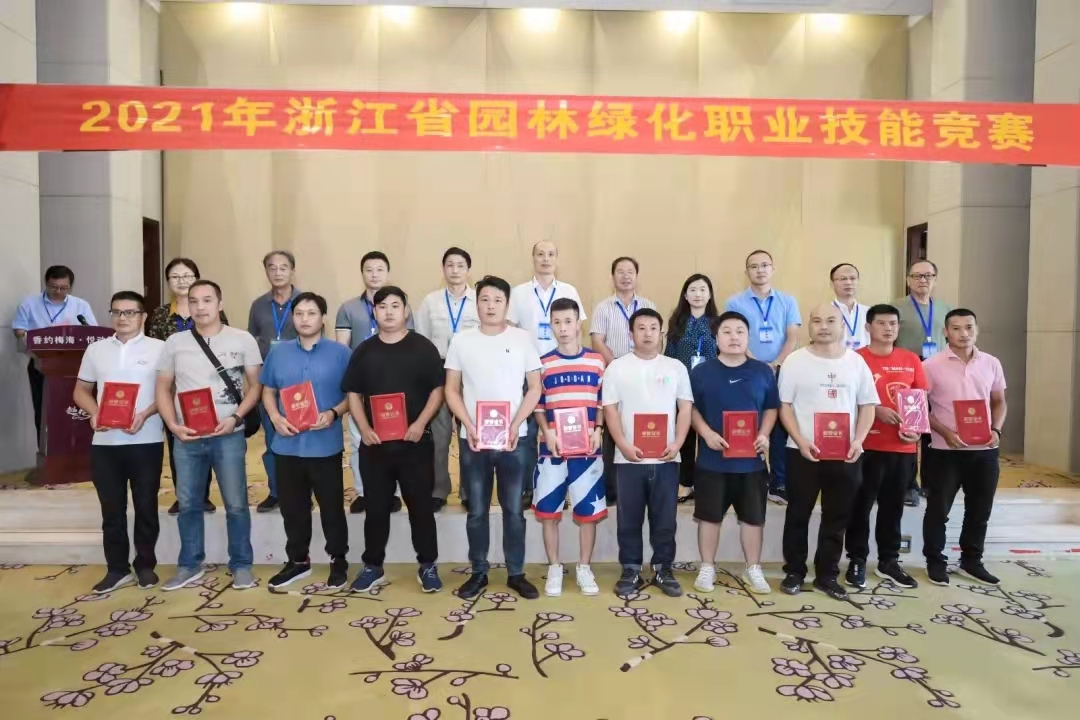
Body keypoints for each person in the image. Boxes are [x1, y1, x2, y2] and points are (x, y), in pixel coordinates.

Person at [156, 280, 262, 592]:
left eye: (207, 300)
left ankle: (241, 564)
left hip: (229, 434)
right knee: (188, 504)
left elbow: (256, 386)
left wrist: (236, 417)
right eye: (194, 301)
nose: (200, 307)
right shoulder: (174, 343)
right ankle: (189, 564)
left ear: (220, 303)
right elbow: (163, 388)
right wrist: (173, 426)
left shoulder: (242, 339)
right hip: (187, 437)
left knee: (236, 503)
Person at [343, 286, 446, 594]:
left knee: (421, 508)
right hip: (375, 446)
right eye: (382, 306)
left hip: (415, 444)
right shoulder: (364, 351)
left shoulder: (423, 347)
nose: (388, 312)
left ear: (406, 311)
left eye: (395, 306)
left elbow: (438, 390)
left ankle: (427, 565)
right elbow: (353, 393)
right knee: (375, 509)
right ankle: (372, 566)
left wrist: (420, 423)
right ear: (374, 312)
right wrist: (364, 428)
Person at [445, 275, 543, 600]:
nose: (490, 306)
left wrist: (516, 424)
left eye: (497, 300)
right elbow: (451, 389)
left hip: (515, 439)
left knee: (514, 510)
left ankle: (516, 573)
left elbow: (535, 388)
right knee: (476, 511)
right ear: (477, 304)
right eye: (484, 300)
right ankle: (478, 572)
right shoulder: (461, 341)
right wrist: (468, 424)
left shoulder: (522, 339)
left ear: (507, 304)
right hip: (474, 439)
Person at [777, 304, 878, 601]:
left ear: (842, 326)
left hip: (846, 454)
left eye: (831, 320)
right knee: (798, 514)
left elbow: (867, 406)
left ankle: (827, 575)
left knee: (837, 517)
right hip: (802, 452)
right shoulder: (795, 361)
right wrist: (800, 440)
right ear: (809, 325)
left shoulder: (856, 362)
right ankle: (795, 571)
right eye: (817, 320)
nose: (823, 326)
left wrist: (858, 440)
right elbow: (784, 406)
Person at [73, 291, 165, 594]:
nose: (122, 318)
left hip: (146, 439)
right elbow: (81, 390)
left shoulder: (160, 349)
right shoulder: (96, 350)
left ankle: (145, 565)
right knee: (111, 509)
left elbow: (169, 391)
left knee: (146, 505)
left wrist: (146, 413)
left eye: (129, 312)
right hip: (105, 443)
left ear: (143, 316)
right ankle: (116, 568)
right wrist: (95, 412)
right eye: (116, 312)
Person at [260, 293, 352, 590]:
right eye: (299, 313)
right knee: (293, 508)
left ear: (323, 318)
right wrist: (275, 417)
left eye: (311, 313)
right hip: (286, 445)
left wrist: (334, 413)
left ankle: (338, 559)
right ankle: (298, 560)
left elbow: (352, 396)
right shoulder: (279, 353)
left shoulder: (341, 354)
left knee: (331, 507)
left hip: (324, 444)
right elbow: (268, 391)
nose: (304, 319)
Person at [603, 308, 693, 598]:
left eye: (653, 327)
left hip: (667, 457)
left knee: (665, 519)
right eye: (640, 328)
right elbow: (610, 411)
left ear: (661, 333)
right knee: (628, 519)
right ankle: (630, 568)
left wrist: (678, 442)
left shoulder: (675, 368)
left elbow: (685, 408)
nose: (647, 333)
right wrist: (622, 444)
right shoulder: (617, 367)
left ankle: (663, 568)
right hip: (628, 458)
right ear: (631, 334)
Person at [689, 311, 778, 596]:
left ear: (748, 337)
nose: (734, 337)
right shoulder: (701, 372)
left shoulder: (762, 371)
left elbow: (771, 408)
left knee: (753, 518)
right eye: (726, 332)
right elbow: (690, 408)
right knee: (709, 517)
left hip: (751, 463)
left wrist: (764, 434)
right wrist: (706, 433)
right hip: (711, 461)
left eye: (740, 331)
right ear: (716, 338)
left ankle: (753, 568)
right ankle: (707, 567)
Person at [922, 309, 1007, 587]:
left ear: (977, 329)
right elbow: (920, 407)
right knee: (938, 511)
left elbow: (999, 401)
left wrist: (996, 429)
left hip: (984, 452)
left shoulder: (991, 363)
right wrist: (945, 432)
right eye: (956, 328)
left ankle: (972, 561)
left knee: (979, 511)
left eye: (969, 327)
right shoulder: (931, 365)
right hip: (944, 452)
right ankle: (935, 562)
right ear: (946, 332)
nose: (964, 333)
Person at [844, 304, 926, 590]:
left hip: (901, 448)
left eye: (893, 323)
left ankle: (888, 561)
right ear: (868, 327)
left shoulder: (911, 359)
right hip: (864, 446)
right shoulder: (854, 359)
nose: (888, 328)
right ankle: (856, 559)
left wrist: (916, 430)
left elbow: (919, 399)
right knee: (860, 506)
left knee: (893, 508)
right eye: (881, 323)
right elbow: (845, 399)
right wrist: (874, 410)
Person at [533, 298, 606, 597]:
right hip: (552, 450)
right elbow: (538, 406)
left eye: (568, 322)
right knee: (549, 512)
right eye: (557, 322)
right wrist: (547, 431)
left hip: (587, 451)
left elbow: (602, 402)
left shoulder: (597, 361)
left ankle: (584, 567)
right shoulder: (543, 363)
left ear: (579, 324)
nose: (563, 328)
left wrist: (598, 429)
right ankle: (554, 567)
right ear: (551, 326)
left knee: (587, 512)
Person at [508, 240, 587, 504]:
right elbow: (511, 331)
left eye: (550, 254)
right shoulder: (518, 293)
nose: (545, 259)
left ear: (557, 259)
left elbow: (578, 330)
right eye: (540, 254)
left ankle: (565, 490)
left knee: (565, 428)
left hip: (561, 371)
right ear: (533, 258)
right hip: (528, 373)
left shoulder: (568, 290)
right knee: (528, 434)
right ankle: (529, 488)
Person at [725, 250, 802, 505]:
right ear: (746, 271)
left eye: (765, 265)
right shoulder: (735, 303)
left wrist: (776, 363)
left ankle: (779, 482)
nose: (760, 270)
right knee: (747, 422)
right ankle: (750, 478)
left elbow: (792, 336)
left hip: (782, 369)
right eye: (754, 266)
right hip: (747, 368)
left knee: (780, 426)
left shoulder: (787, 301)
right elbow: (734, 335)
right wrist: (757, 364)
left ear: (773, 269)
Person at [147, 258, 222, 515]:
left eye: (187, 276)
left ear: (196, 278)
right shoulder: (160, 314)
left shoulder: (210, 310)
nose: (182, 281)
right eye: (175, 277)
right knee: (177, 441)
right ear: (168, 282)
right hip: (172, 388)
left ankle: (203, 495)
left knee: (206, 439)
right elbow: (156, 351)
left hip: (205, 386)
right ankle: (183, 496)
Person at [336, 251, 408, 514]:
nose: (374, 274)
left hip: (395, 382)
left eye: (380, 269)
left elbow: (408, 342)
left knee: (395, 440)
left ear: (387, 273)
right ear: (362, 273)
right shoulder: (348, 308)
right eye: (369, 269)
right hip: (362, 384)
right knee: (359, 440)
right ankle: (363, 492)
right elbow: (343, 349)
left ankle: (394, 493)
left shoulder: (400, 305)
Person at [414, 247, 481, 511]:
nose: (455, 270)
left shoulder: (479, 300)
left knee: (469, 431)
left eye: (460, 265)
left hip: (470, 371)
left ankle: (469, 491)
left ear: (468, 270)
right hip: (439, 370)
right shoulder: (430, 302)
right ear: (443, 269)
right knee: (439, 436)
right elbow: (421, 340)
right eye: (450, 265)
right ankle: (438, 490)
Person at [589, 257, 657, 505]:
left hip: (644, 377)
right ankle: (612, 490)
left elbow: (656, 339)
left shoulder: (648, 305)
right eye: (620, 272)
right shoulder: (603, 307)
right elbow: (597, 341)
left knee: (642, 425)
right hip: (614, 375)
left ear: (637, 276)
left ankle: (645, 484)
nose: (626, 276)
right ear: (612, 277)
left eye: (630, 272)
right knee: (613, 430)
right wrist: (619, 365)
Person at [13, 265, 97, 450]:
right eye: (54, 287)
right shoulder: (29, 304)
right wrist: (32, 336)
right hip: (41, 366)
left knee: (73, 411)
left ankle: (74, 453)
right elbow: (19, 329)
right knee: (43, 411)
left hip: (74, 368)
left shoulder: (80, 305)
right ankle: (47, 453)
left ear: (70, 286)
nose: (58, 292)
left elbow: (91, 331)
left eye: (64, 288)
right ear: (46, 283)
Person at [892, 259, 953, 508]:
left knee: (932, 430)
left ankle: (930, 482)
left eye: (928, 275)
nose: (922, 280)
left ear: (935, 279)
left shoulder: (946, 308)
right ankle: (909, 485)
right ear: (908, 280)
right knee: (910, 429)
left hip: (937, 373)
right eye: (917, 276)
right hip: (907, 373)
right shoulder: (896, 307)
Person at [248, 250, 302, 514]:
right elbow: (251, 344)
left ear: (292, 270)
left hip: (297, 384)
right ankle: (276, 492)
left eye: (283, 267)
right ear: (266, 271)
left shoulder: (304, 302)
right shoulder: (258, 305)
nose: (278, 272)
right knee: (272, 441)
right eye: (272, 267)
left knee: (300, 440)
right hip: (268, 383)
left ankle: (301, 493)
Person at [664, 274, 719, 501]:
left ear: (710, 295)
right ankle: (685, 483)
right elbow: (669, 355)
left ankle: (706, 482)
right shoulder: (677, 321)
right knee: (685, 437)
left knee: (708, 435)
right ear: (685, 295)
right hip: (682, 387)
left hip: (710, 386)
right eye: (693, 290)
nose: (698, 294)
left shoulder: (717, 323)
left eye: (703, 289)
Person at [830, 263, 871, 351]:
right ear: (832, 284)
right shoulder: (825, 312)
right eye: (843, 279)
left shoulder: (869, 312)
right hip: (834, 358)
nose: (848, 282)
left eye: (852, 278)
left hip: (864, 359)